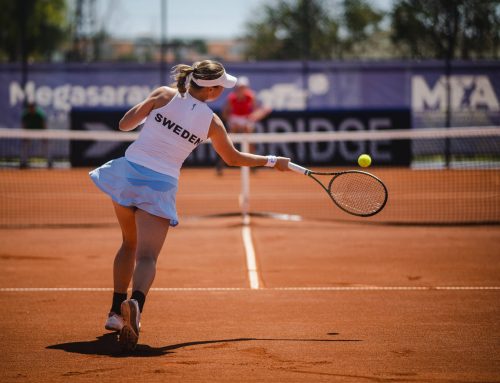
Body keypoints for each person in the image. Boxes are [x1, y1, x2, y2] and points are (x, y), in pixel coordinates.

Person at [89, 60, 290, 351]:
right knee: (147, 257)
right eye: (220, 87)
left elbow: (124, 125)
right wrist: (272, 161)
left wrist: (156, 106)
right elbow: (233, 159)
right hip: (160, 186)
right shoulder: (212, 122)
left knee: (128, 244)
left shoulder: (163, 94)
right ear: (210, 91)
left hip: (127, 175)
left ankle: (114, 314)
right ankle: (136, 303)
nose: (222, 91)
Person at [216, 76, 272, 174]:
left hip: (246, 119)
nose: (241, 89)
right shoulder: (232, 98)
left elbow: (255, 111)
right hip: (234, 119)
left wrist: (252, 118)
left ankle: (252, 165)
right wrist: (232, 122)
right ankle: (221, 165)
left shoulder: (251, 96)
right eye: (239, 87)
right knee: (228, 143)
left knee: (249, 142)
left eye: (243, 87)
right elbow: (225, 113)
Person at [20, 102, 52, 169]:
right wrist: (24, 135)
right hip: (29, 132)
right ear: (28, 108)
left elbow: (44, 125)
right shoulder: (25, 114)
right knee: (25, 145)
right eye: (30, 107)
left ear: (35, 108)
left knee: (45, 145)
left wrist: (45, 135)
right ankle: (23, 162)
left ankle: (49, 162)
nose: (31, 109)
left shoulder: (40, 114)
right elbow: (23, 125)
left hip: (40, 132)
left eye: (33, 107)